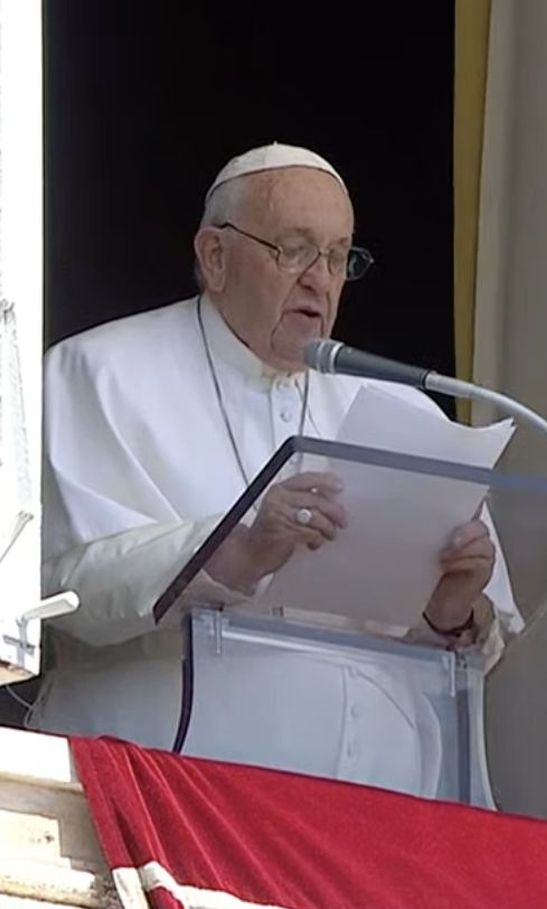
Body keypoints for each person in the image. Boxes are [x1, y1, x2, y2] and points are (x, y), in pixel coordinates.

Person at [28, 143, 518, 798]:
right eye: (293, 249)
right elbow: (58, 588)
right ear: (215, 257)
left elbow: (470, 652)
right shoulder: (98, 374)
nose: (320, 278)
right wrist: (239, 548)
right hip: (167, 794)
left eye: (340, 256)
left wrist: (451, 611)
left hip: (382, 807)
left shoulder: (410, 414)